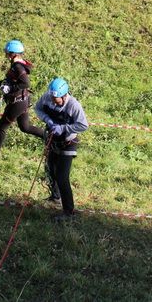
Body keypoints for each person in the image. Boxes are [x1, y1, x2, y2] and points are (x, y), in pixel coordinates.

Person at [35, 78, 89, 222]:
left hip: (68, 142)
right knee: (51, 170)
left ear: (65, 95)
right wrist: (48, 120)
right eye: (52, 98)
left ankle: (68, 212)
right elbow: (38, 108)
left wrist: (64, 128)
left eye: (56, 99)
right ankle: (55, 197)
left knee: (62, 177)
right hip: (53, 140)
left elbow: (83, 125)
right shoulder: (47, 97)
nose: (53, 101)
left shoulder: (73, 106)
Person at [0, 40, 46, 151]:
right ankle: (49, 138)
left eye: (8, 53)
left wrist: (10, 89)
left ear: (14, 54)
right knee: (25, 127)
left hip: (17, 102)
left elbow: (26, 83)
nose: (6, 55)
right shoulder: (16, 65)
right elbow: (10, 80)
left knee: (2, 125)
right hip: (22, 101)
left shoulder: (17, 67)